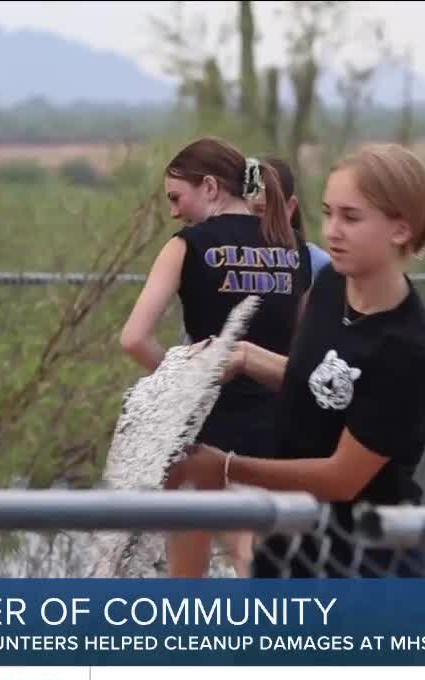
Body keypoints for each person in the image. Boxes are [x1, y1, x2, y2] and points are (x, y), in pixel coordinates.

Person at [168, 142, 425, 580]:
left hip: (364, 565)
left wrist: (224, 466)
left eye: (351, 217)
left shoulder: (406, 349)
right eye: (328, 212)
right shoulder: (331, 284)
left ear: (400, 229)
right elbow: (315, 383)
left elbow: (341, 478)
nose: (332, 230)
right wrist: (240, 355)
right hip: (290, 547)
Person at [120, 136, 313, 579]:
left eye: (176, 197)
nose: (173, 210)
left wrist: (183, 380)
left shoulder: (187, 245)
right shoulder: (295, 251)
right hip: (278, 433)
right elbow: (303, 355)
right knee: (267, 569)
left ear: (209, 187)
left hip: (203, 429)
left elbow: (133, 338)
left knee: (187, 580)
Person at [247, 155, 332, 281]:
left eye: (260, 210)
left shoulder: (319, 267)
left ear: (290, 208)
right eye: (241, 210)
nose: (246, 219)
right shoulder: (223, 260)